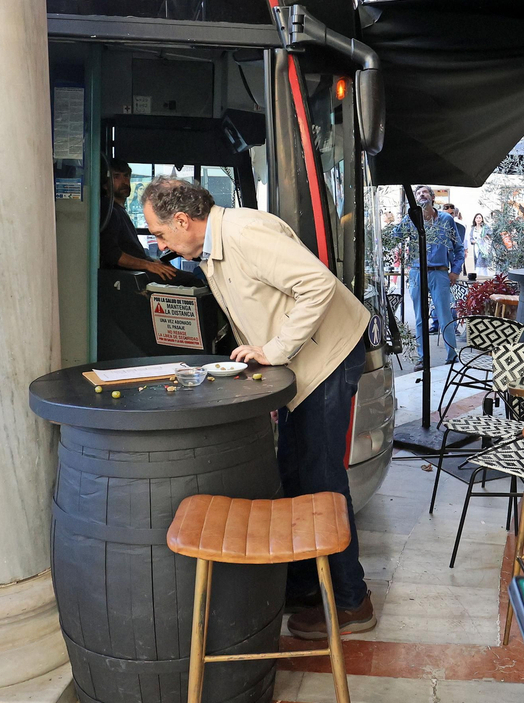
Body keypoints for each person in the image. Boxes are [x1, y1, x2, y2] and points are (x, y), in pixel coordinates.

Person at [139, 178, 377, 638]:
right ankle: (309, 583)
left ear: (184, 221)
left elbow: (317, 285)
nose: (159, 243)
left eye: (161, 233)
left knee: (322, 478)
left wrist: (276, 349)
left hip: (327, 355)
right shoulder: (211, 248)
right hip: (304, 362)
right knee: (293, 470)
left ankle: (352, 601)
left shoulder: (245, 234)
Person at [391, 187, 461, 363]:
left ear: (432, 197)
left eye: (425, 192)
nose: (422, 195)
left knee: (445, 315)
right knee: (420, 317)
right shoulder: (412, 219)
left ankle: (452, 356)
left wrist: (455, 271)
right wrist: (407, 218)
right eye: (418, 193)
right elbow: (395, 236)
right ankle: (423, 358)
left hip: (440, 273)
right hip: (417, 272)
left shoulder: (446, 219)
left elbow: (458, 247)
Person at [98, 160, 178, 280]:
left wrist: (152, 262)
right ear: (105, 184)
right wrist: (148, 265)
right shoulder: (109, 211)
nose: (124, 182)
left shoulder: (119, 210)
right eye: (116, 177)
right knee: (193, 281)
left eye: (126, 176)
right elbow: (113, 255)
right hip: (128, 277)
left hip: (140, 271)